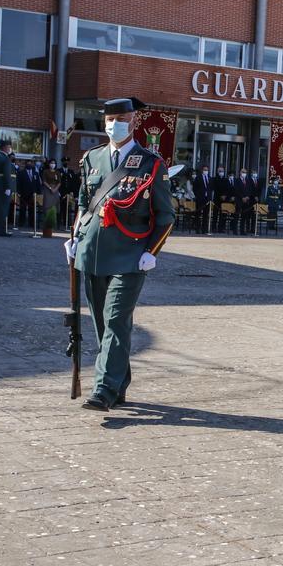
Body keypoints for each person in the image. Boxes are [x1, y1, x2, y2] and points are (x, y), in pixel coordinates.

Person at [63, 97, 176, 412]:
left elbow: (166, 215)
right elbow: (85, 204)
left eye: (121, 119)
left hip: (129, 256)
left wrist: (152, 251)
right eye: (109, 120)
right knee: (102, 323)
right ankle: (119, 382)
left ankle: (104, 389)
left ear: (133, 122)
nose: (114, 125)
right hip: (93, 253)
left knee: (115, 319)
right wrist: (74, 238)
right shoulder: (92, 158)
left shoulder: (151, 163)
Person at [192, 165, 213, 234]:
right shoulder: (198, 178)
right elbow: (194, 188)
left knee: (206, 214)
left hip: (207, 199)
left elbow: (210, 188)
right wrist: (197, 196)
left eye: (207, 170)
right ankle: (197, 229)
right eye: (204, 170)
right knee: (198, 214)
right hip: (200, 198)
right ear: (202, 170)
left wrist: (210, 197)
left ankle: (204, 229)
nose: (206, 171)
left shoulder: (209, 178)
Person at [212, 166, 231, 233]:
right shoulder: (215, 179)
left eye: (222, 171)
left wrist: (225, 195)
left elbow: (228, 189)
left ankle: (221, 228)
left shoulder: (226, 180)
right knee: (215, 214)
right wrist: (220, 195)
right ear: (217, 172)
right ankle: (213, 227)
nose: (221, 172)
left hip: (224, 200)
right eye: (220, 171)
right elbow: (215, 188)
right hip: (217, 199)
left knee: (223, 214)